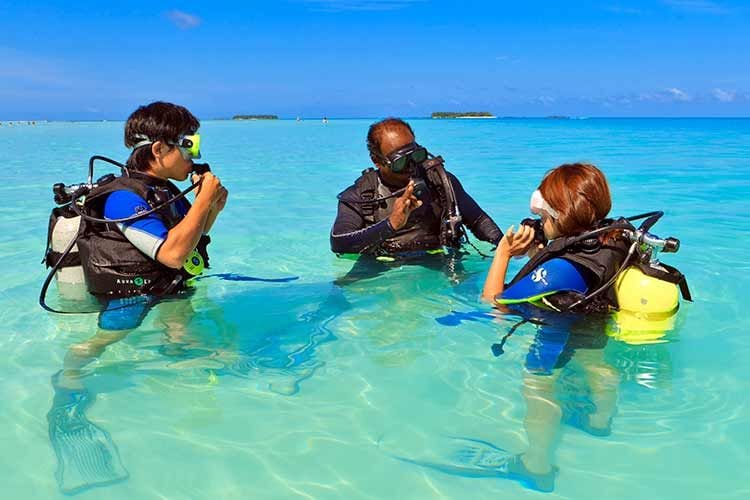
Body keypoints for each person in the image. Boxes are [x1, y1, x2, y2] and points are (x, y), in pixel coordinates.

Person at [47, 101, 228, 494]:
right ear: (160, 150)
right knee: (103, 340)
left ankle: (184, 373)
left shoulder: (161, 191)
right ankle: (67, 382)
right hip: (130, 295)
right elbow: (173, 253)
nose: (193, 154)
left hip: (164, 289)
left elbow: (191, 239)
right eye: (187, 144)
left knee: (181, 329)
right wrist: (200, 201)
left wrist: (209, 207)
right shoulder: (123, 199)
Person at [476, 163, 628, 492]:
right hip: (596, 319)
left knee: (537, 386)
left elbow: (495, 303)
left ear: (559, 216)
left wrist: (503, 251)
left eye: (545, 217)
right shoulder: (612, 237)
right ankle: (598, 422)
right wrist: (539, 243)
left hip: (558, 328)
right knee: (595, 364)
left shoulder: (560, 270)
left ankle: (537, 466)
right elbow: (565, 248)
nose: (541, 223)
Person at [330, 118, 501, 272]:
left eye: (416, 155)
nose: (412, 166)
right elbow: (339, 242)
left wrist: (504, 244)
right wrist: (392, 224)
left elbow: (478, 220)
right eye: (401, 162)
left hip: (439, 262)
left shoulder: (439, 181)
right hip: (382, 268)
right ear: (377, 161)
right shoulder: (361, 195)